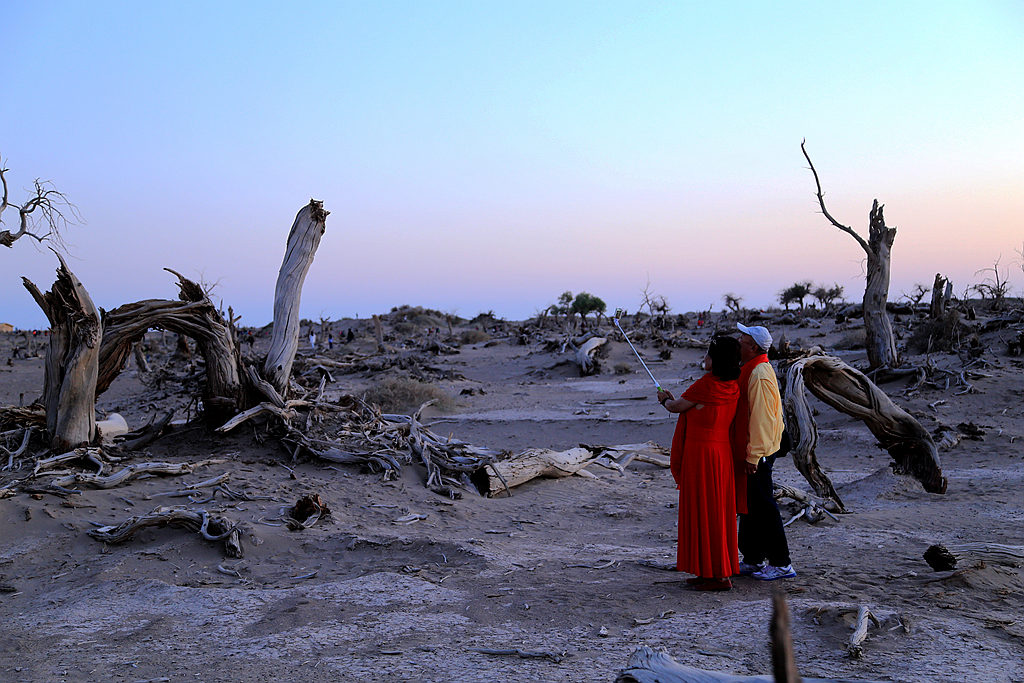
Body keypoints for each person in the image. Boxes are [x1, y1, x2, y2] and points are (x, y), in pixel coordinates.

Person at [656, 336, 742, 591]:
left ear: (717, 359)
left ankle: (715, 574)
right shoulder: (733, 385)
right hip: (721, 453)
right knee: (717, 512)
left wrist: (663, 400)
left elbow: (676, 407)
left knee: (702, 510)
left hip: (701, 455)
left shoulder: (706, 385)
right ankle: (713, 571)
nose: (705, 359)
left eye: (709, 354)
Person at [733, 323, 796, 581]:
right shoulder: (754, 369)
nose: (738, 343)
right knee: (752, 505)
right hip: (760, 447)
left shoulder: (758, 373)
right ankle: (753, 558)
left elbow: (761, 418)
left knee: (764, 505)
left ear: (754, 347)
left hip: (760, 450)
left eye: (742, 340)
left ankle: (781, 562)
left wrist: (754, 455)